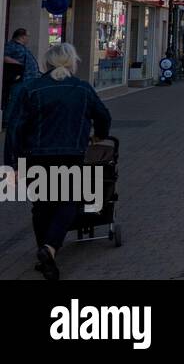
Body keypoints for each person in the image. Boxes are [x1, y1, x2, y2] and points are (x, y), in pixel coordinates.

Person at [3, 43, 112, 281]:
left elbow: (15, 127)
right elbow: (103, 115)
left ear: (46, 64)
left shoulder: (31, 89)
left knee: (41, 206)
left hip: (35, 156)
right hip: (71, 155)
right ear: (71, 62)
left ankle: (45, 253)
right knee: (69, 202)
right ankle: (50, 249)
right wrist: (99, 135)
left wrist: (11, 162)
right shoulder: (82, 88)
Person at [3, 28, 41, 126]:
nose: (28, 38)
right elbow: (4, 57)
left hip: (30, 77)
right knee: (15, 97)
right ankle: (7, 119)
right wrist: (17, 63)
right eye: (27, 36)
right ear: (22, 36)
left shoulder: (22, 47)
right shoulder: (11, 46)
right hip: (21, 77)